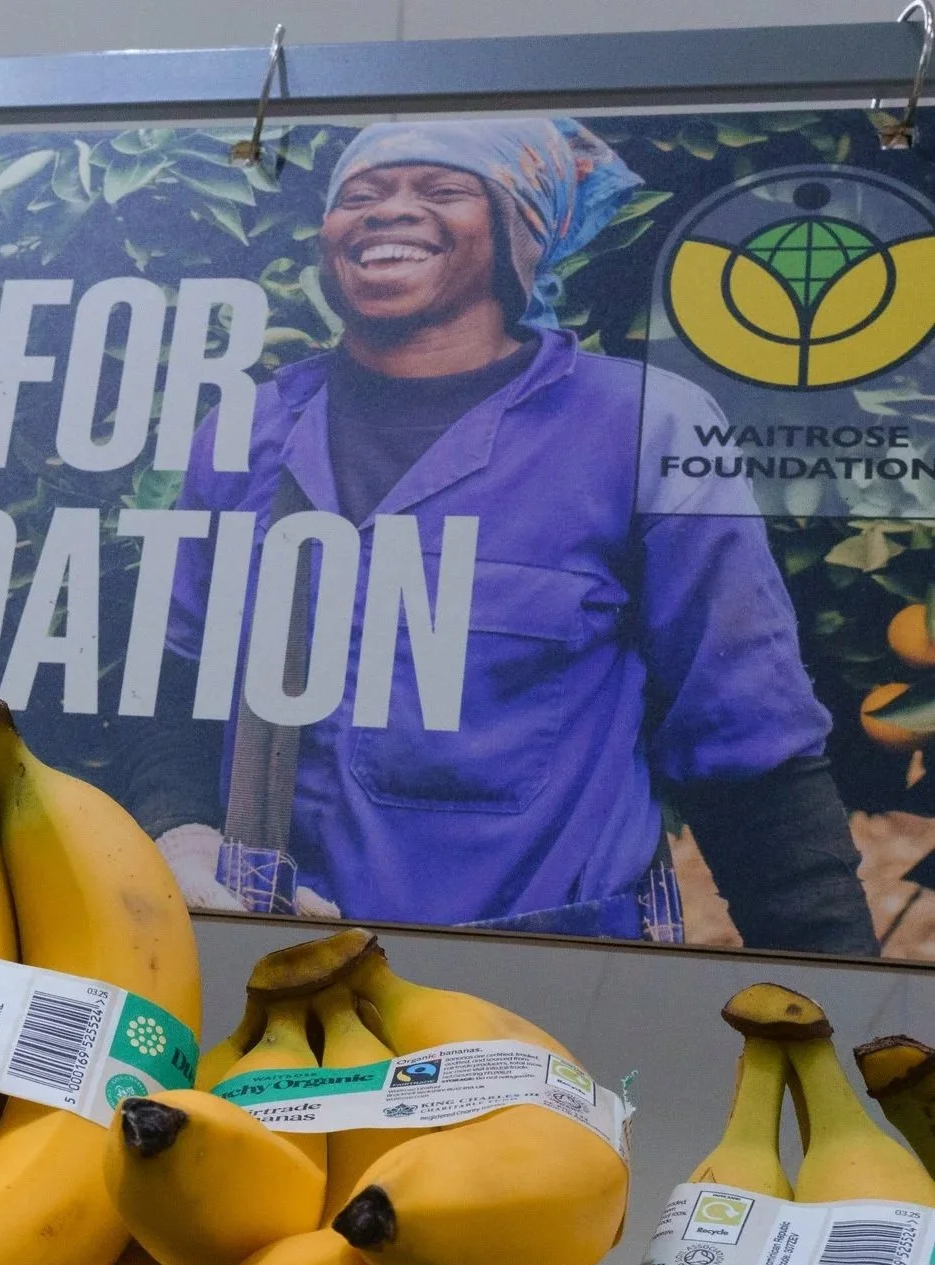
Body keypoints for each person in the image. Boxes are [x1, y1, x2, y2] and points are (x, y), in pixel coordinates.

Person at [138, 115, 876, 955]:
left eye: (442, 190)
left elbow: (745, 742)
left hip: (547, 977)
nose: (389, 211)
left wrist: (841, 1001)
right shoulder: (251, 430)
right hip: (276, 965)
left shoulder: (639, 426)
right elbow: (179, 680)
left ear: (521, 234)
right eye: (360, 195)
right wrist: (179, 827)